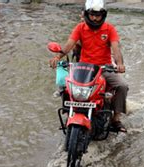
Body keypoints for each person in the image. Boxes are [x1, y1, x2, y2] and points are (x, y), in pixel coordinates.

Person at [50, 0, 128, 133]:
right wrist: (57, 57)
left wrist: (119, 64)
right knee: (65, 85)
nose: (95, 18)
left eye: (98, 15)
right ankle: (68, 114)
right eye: (92, 15)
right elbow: (69, 45)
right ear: (87, 14)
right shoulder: (80, 28)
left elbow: (116, 48)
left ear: (103, 15)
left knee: (122, 86)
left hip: (104, 68)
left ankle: (116, 119)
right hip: (84, 68)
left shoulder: (109, 29)